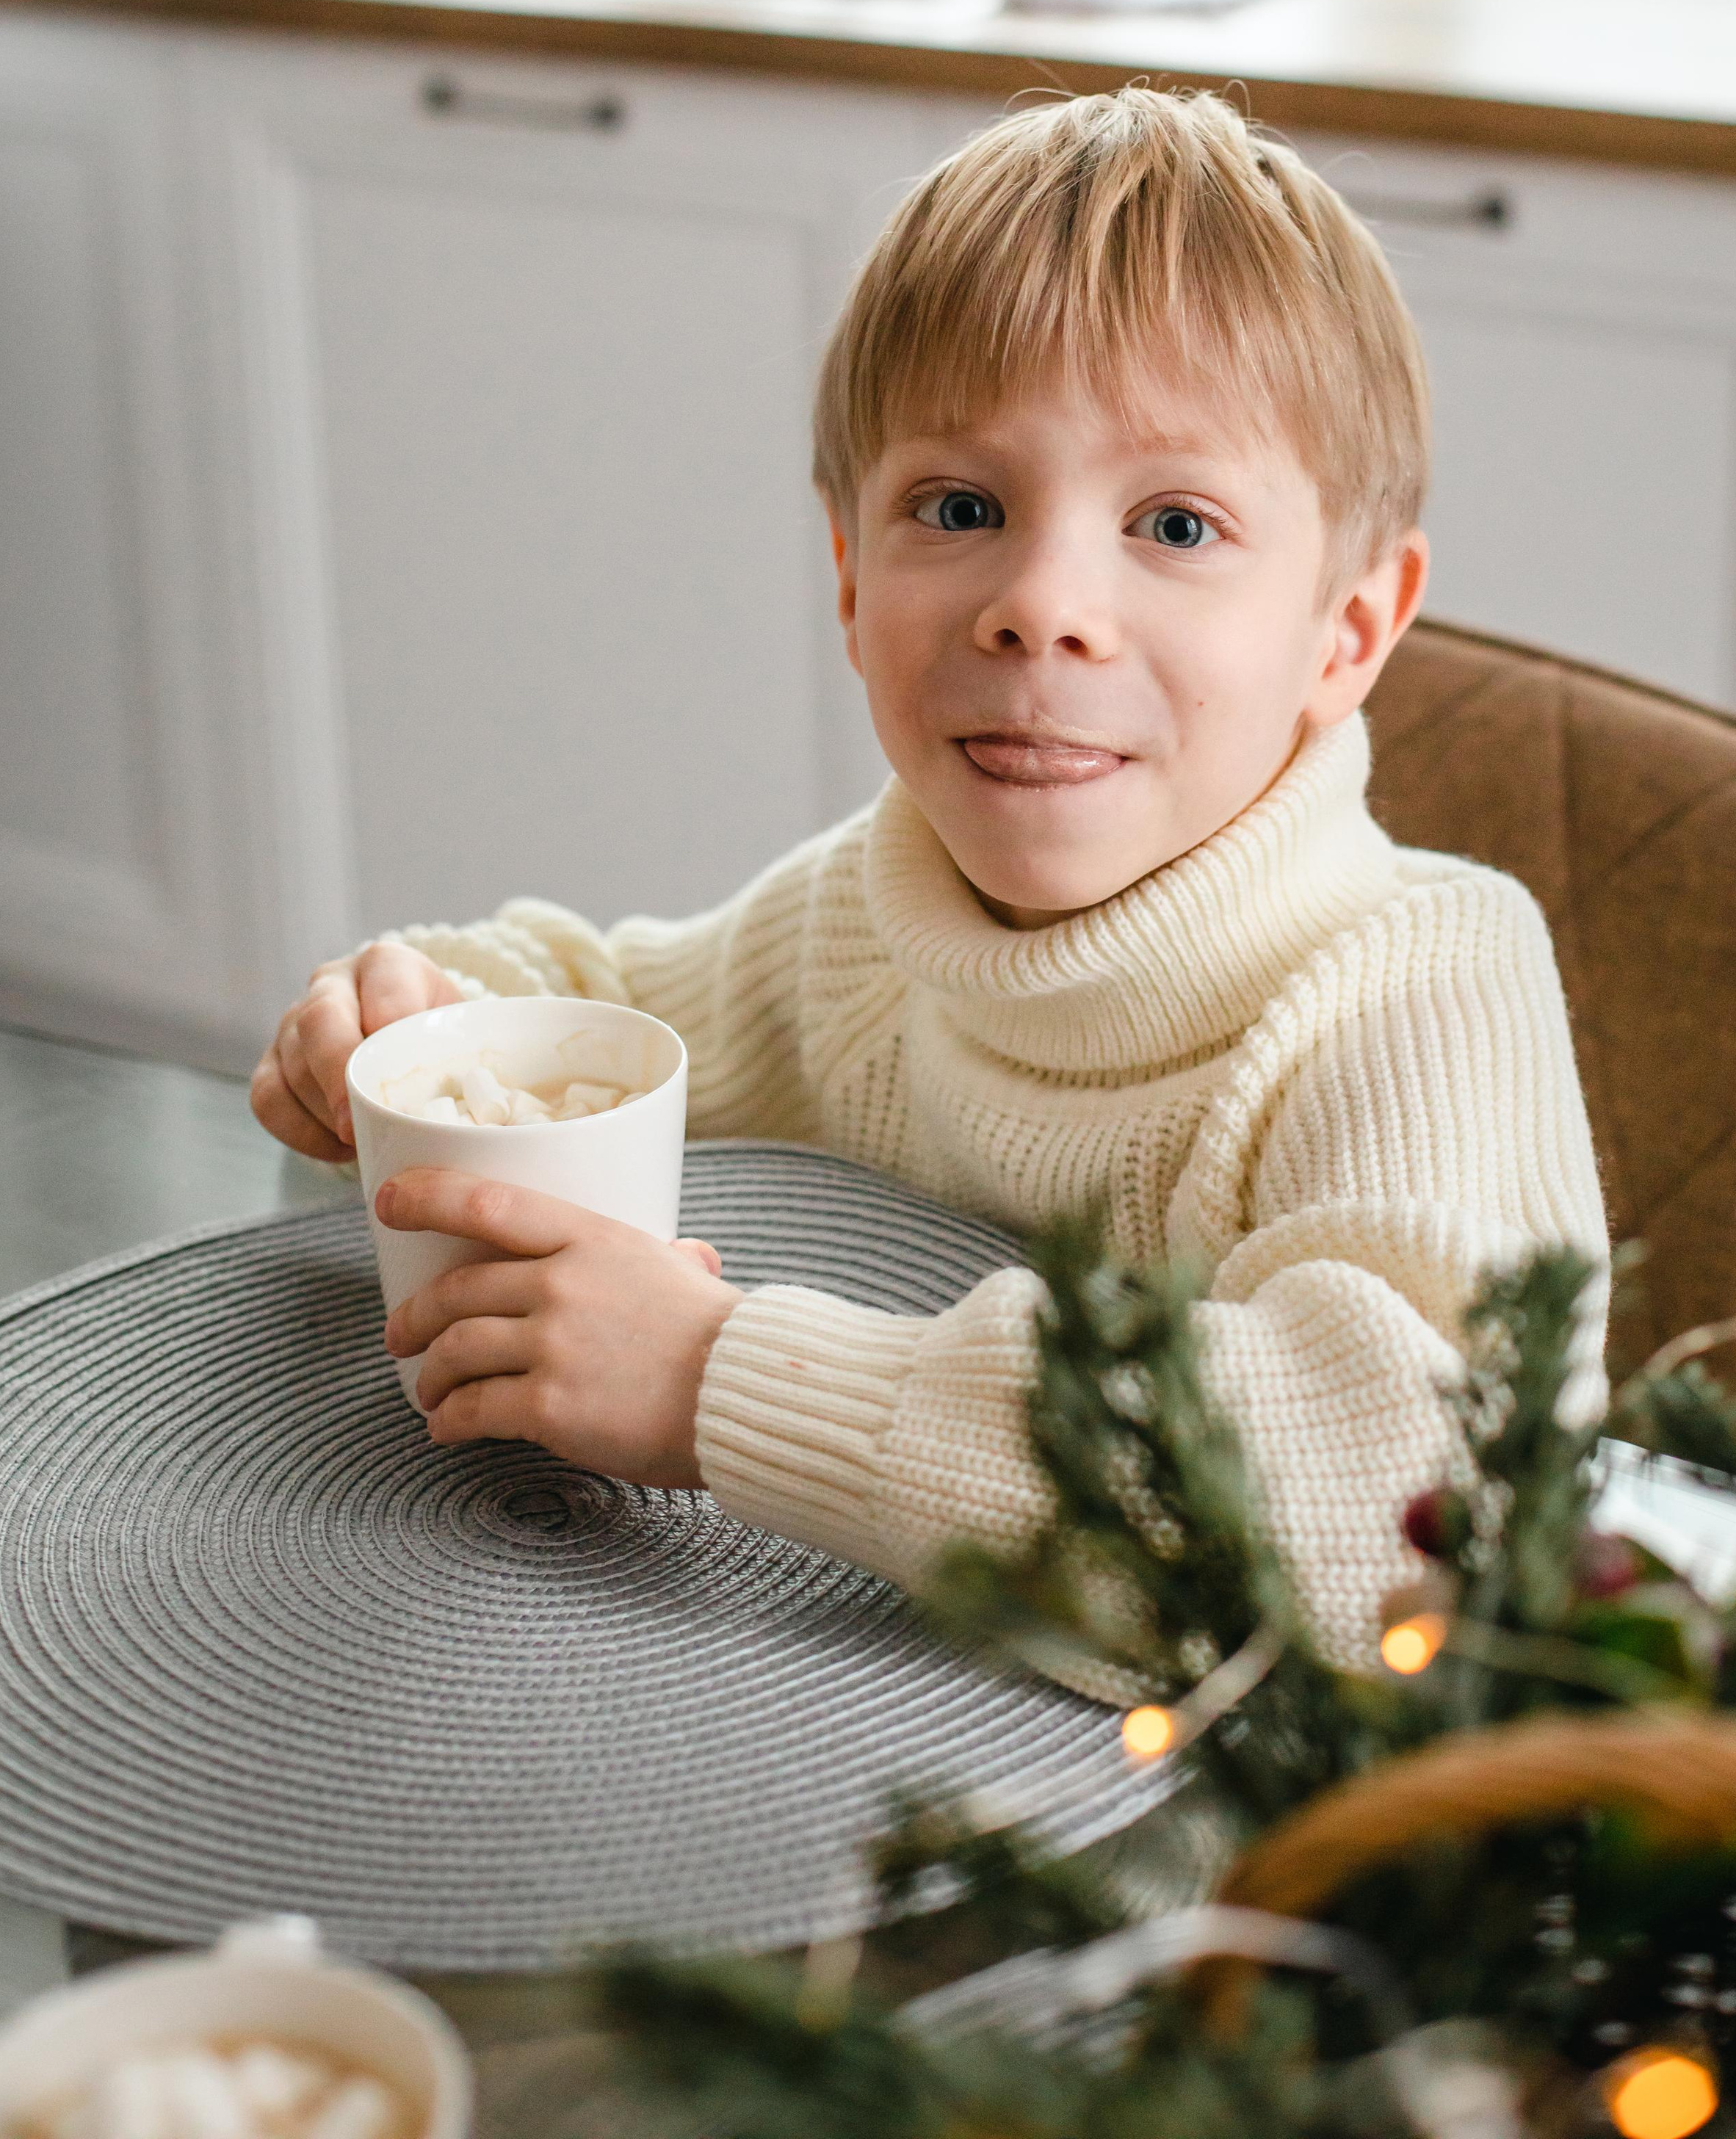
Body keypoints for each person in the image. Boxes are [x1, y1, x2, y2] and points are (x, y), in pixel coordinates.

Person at [251, 87, 1606, 1665]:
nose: (1041, 606)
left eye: (1172, 522)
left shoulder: (1421, 987)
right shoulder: (864, 924)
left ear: (1348, 632)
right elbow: (598, 1008)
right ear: (846, 575)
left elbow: (1408, 1503)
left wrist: (722, 1382)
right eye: (959, 508)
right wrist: (407, 1019)